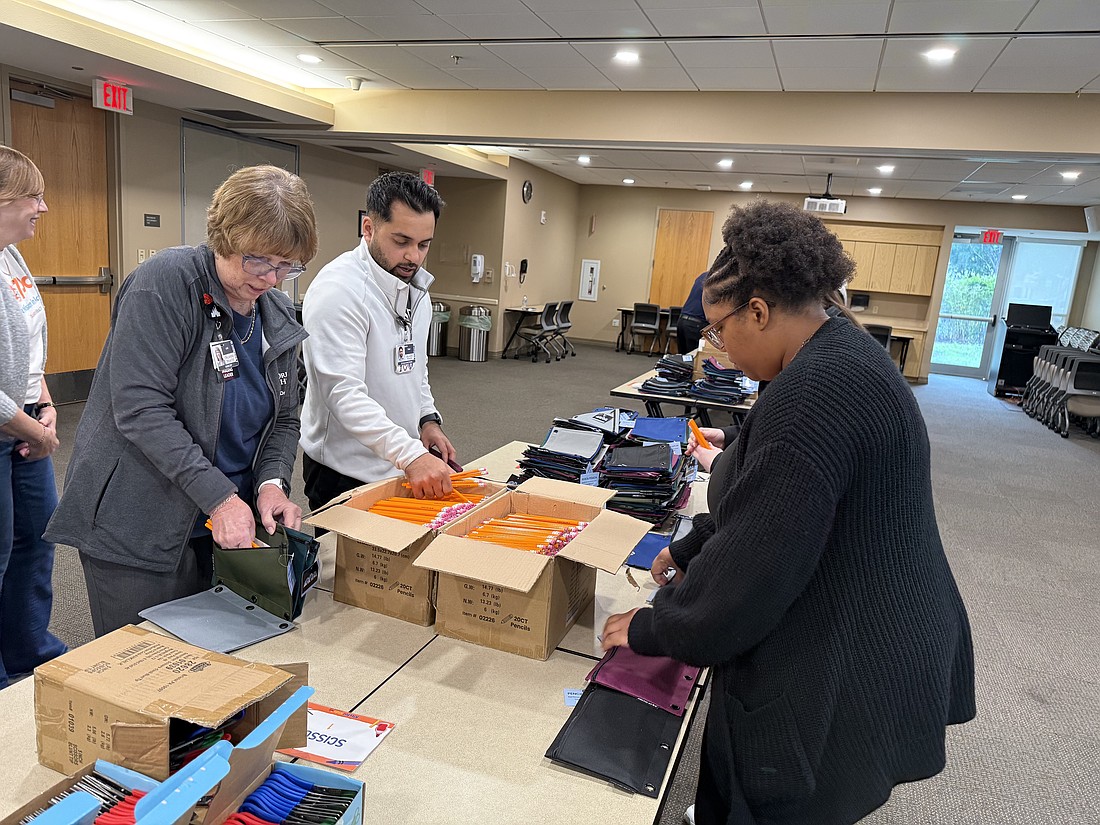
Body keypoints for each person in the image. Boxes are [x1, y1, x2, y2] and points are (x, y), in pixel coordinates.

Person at [602, 200, 974, 825]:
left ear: (758, 309)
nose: (716, 349)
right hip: (880, 624)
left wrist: (652, 628)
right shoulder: (836, 350)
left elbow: (758, 568)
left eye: (718, 330)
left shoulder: (814, 393)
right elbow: (757, 477)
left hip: (851, 661)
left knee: (779, 800)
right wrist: (688, 549)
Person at [45, 165, 316, 637]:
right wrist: (221, 497)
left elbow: (285, 417)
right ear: (224, 237)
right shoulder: (165, 283)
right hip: (139, 518)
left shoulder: (273, 313)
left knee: (211, 670)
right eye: (260, 262)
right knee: (141, 672)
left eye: (287, 266)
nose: (273, 279)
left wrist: (272, 483)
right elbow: (141, 408)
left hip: (223, 522)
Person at [300, 171, 456, 511]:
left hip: (396, 462)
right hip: (343, 472)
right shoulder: (338, 291)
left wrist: (426, 420)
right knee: (339, 564)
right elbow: (343, 395)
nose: (414, 256)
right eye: (401, 242)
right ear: (368, 228)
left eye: (424, 244)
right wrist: (411, 453)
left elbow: (415, 367)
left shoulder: (415, 288)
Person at [0, 146, 65, 687]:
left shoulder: (11, 256)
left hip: (24, 421)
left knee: (36, 542)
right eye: (33, 196)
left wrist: (43, 403)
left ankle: (30, 654)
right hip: (8, 427)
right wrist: (32, 432)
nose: (42, 207)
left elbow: (29, 343)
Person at [677, 271, 707, 355]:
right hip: (696, 324)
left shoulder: (703, 276)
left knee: (683, 357)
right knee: (693, 358)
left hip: (682, 320)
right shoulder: (716, 280)